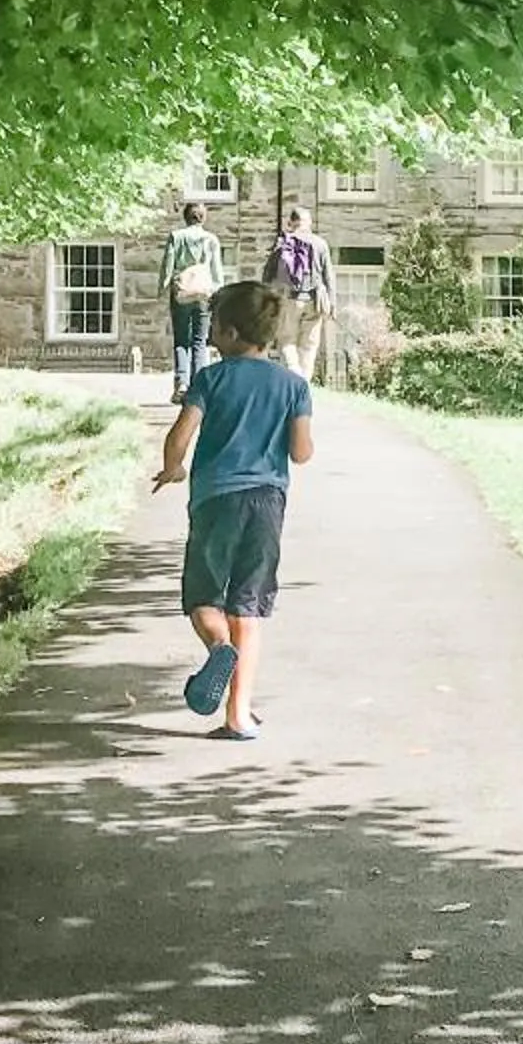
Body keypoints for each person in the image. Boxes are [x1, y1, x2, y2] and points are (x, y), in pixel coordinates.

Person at [154, 281, 314, 742]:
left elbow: (180, 435)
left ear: (227, 331)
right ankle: (239, 715)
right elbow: (301, 453)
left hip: (215, 501)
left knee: (204, 597)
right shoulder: (292, 385)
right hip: (268, 503)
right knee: (250, 606)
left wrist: (173, 469)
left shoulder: (211, 379)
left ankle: (218, 648)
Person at [160, 201, 226, 403]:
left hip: (181, 292)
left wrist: (162, 288)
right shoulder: (211, 240)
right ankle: (198, 386)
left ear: (185, 217)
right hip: (203, 293)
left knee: (181, 340)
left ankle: (181, 382)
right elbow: (216, 271)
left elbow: (167, 267)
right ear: (203, 218)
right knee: (200, 340)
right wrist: (218, 293)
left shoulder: (176, 237)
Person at [262, 203, 337, 380]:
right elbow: (329, 275)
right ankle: (304, 383)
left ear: (291, 222)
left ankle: (294, 373)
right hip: (314, 299)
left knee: (287, 341)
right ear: (308, 222)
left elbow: (268, 274)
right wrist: (333, 303)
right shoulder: (320, 244)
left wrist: (267, 299)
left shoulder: (283, 244)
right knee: (309, 345)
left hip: (289, 299)